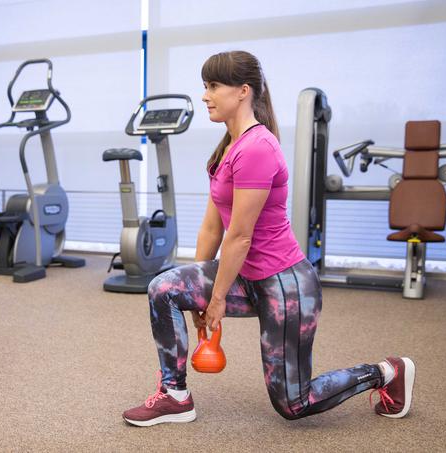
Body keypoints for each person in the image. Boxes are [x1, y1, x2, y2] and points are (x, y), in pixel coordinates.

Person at [122, 50, 415, 427]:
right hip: (247, 275)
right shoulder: (226, 148)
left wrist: (216, 299)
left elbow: (240, 237)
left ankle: (386, 372)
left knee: (294, 403)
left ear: (243, 91)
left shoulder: (257, 148)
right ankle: (175, 395)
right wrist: (198, 291)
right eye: (204, 86)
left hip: (285, 283)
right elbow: (213, 228)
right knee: (164, 288)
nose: (205, 95)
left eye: (213, 86)